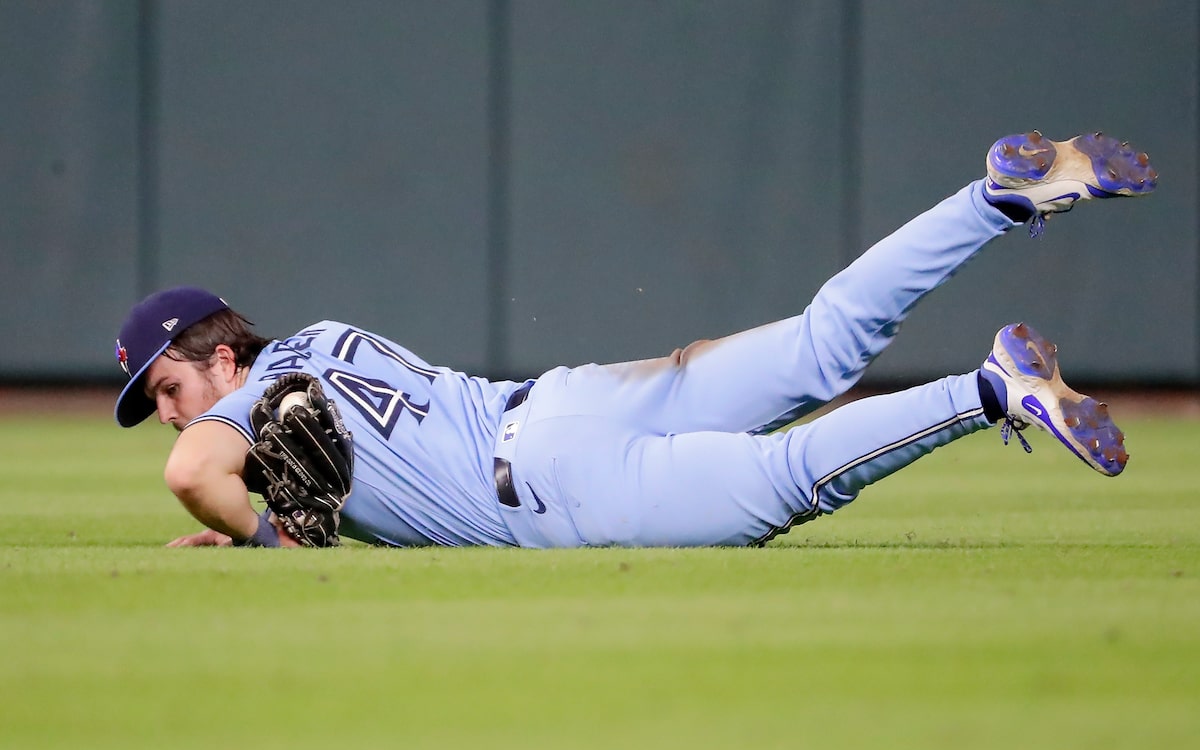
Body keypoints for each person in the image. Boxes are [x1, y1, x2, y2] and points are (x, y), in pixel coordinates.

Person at [113, 131, 1157, 549]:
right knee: (822, 343)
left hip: (551, 483)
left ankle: (990, 389)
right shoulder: (327, 334)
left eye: (167, 383)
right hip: (569, 399)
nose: (168, 408)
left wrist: (260, 539)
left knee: (790, 475)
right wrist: (289, 517)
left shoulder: (250, 400)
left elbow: (193, 468)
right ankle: (996, 196)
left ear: (221, 354)